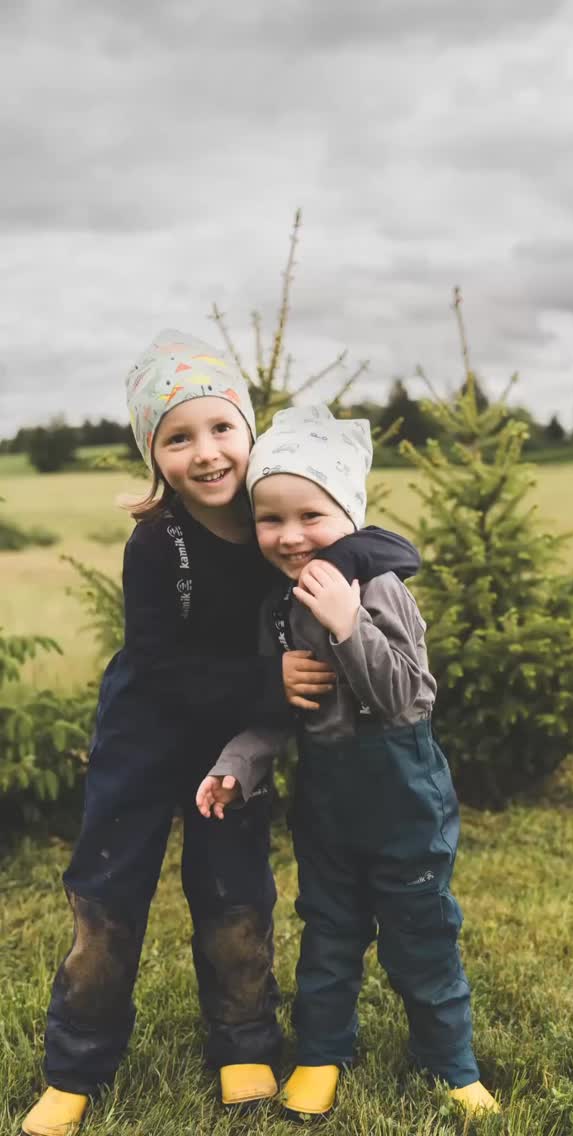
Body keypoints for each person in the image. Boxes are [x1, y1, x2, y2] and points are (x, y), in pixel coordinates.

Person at [21, 334, 420, 1136]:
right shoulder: (155, 544)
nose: (206, 453)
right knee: (108, 896)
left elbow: (359, 538)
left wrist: (385, 566)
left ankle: (243, 1042)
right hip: (144, 739)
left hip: (231, 745)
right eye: (178, 437)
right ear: (152, 452)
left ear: (249, 430)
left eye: (222, 428)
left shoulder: (277, 516)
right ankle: (76, 1064)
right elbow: (160, 666)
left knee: (236, 893)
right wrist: (267, 685)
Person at [197, 404, 500, 1121]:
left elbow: (404, 697)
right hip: (327, 807)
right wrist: (236, 762)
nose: (292, 535)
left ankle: (450, 1062)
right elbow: (279, 713)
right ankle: (321, 1053)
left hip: (403, 796)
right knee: (328, 933)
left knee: (421, 933)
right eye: (271, 519)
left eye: (312, 515)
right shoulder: (276, 608)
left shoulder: (378, 590)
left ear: (350, 513)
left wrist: (347, 622)